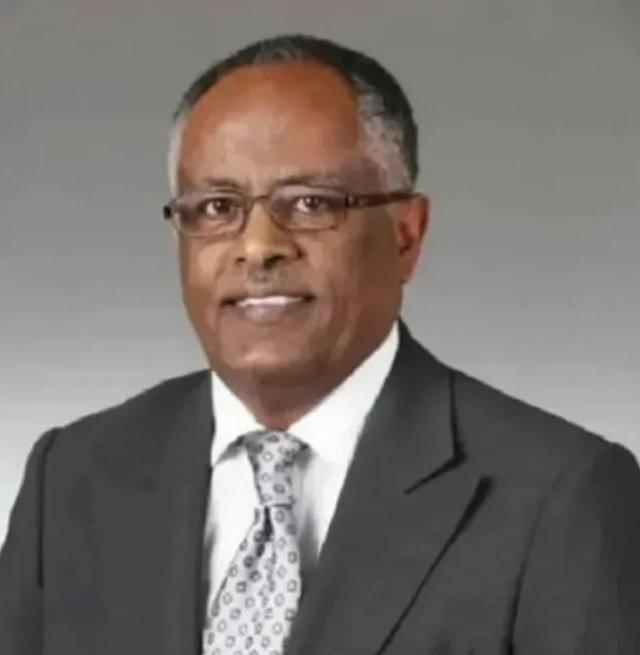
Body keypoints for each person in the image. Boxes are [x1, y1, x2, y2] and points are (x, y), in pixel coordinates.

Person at [1, 33, 639, 655]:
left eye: (311, 203)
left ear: (407, 235)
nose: (258, 247)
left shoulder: (560, 496)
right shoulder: (72, 475)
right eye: (218, 208)